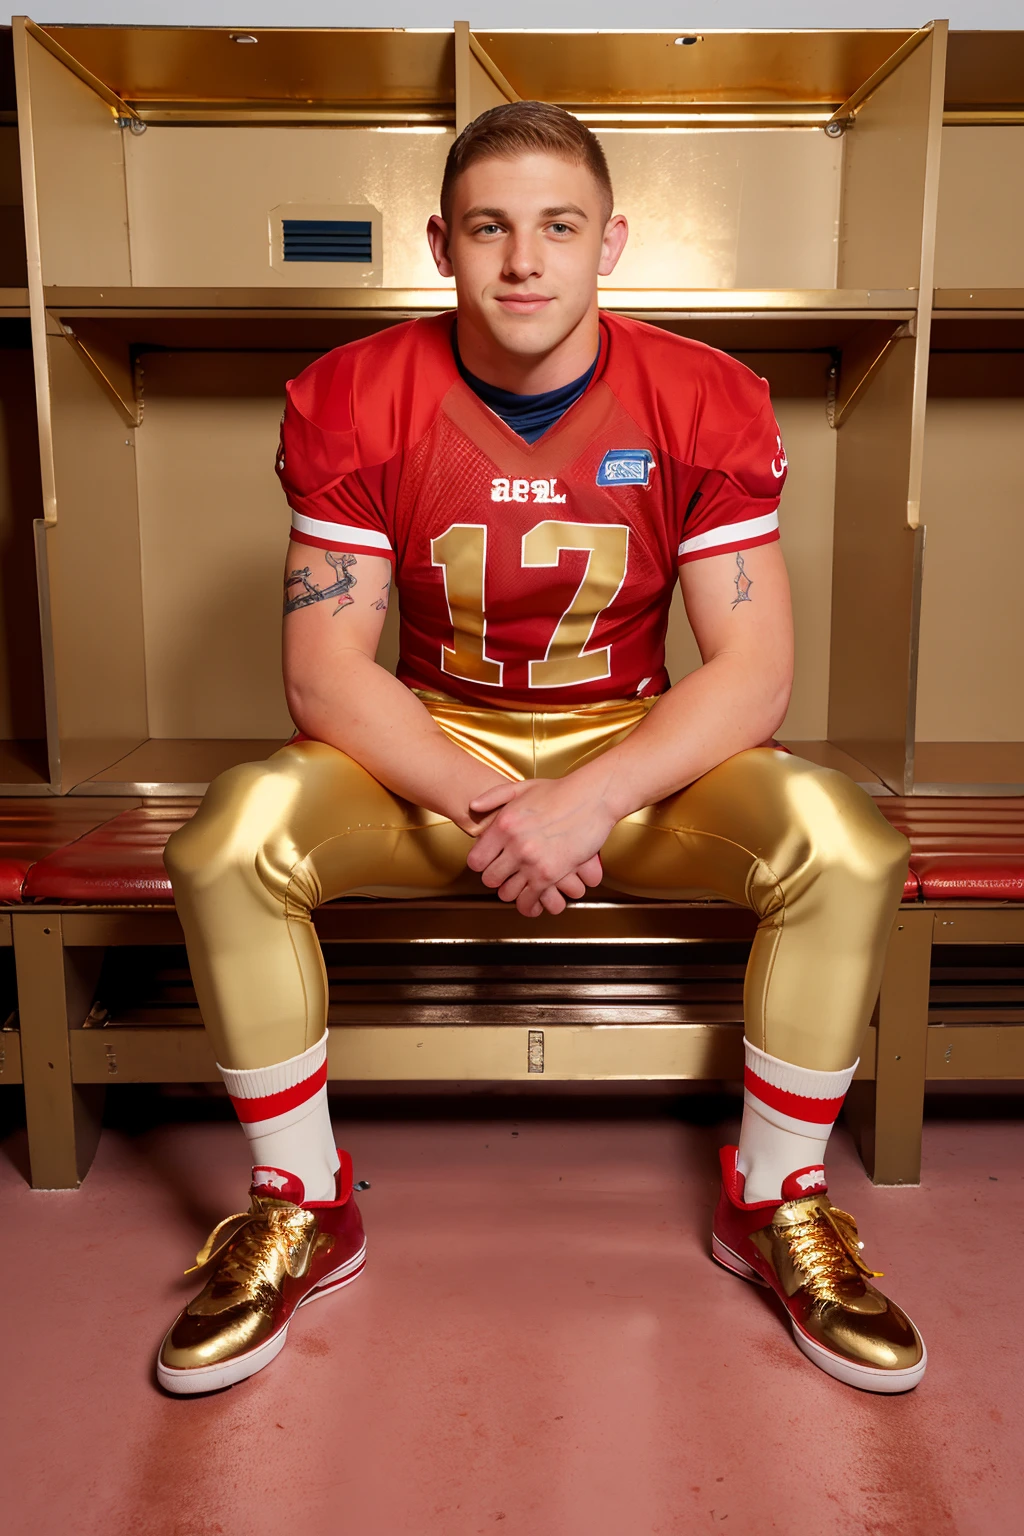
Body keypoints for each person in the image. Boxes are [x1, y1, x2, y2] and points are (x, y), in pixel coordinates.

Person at [157, 102, 924, 1396]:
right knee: (229, 835)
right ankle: (305, 1201)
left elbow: (756, 671)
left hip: (626, 752)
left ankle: (773, 1198)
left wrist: (587, 801)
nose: (524, 260)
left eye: (557, 226)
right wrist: (490, 800)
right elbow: (323, 669)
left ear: (610, 243)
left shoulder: (702, 396)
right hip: (425, 755)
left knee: (846, 839)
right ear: (441, 244)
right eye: (489, 227)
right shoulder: (357, 395)